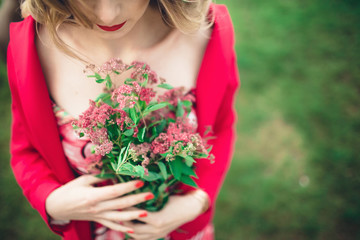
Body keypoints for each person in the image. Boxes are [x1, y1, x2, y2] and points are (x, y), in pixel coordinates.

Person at [7, 0, 239, 239]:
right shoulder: (31, 47)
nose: (107, 16)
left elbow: (220, 127)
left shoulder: (207, 31)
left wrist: (197, 202)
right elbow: (26, 149)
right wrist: (51, 201)